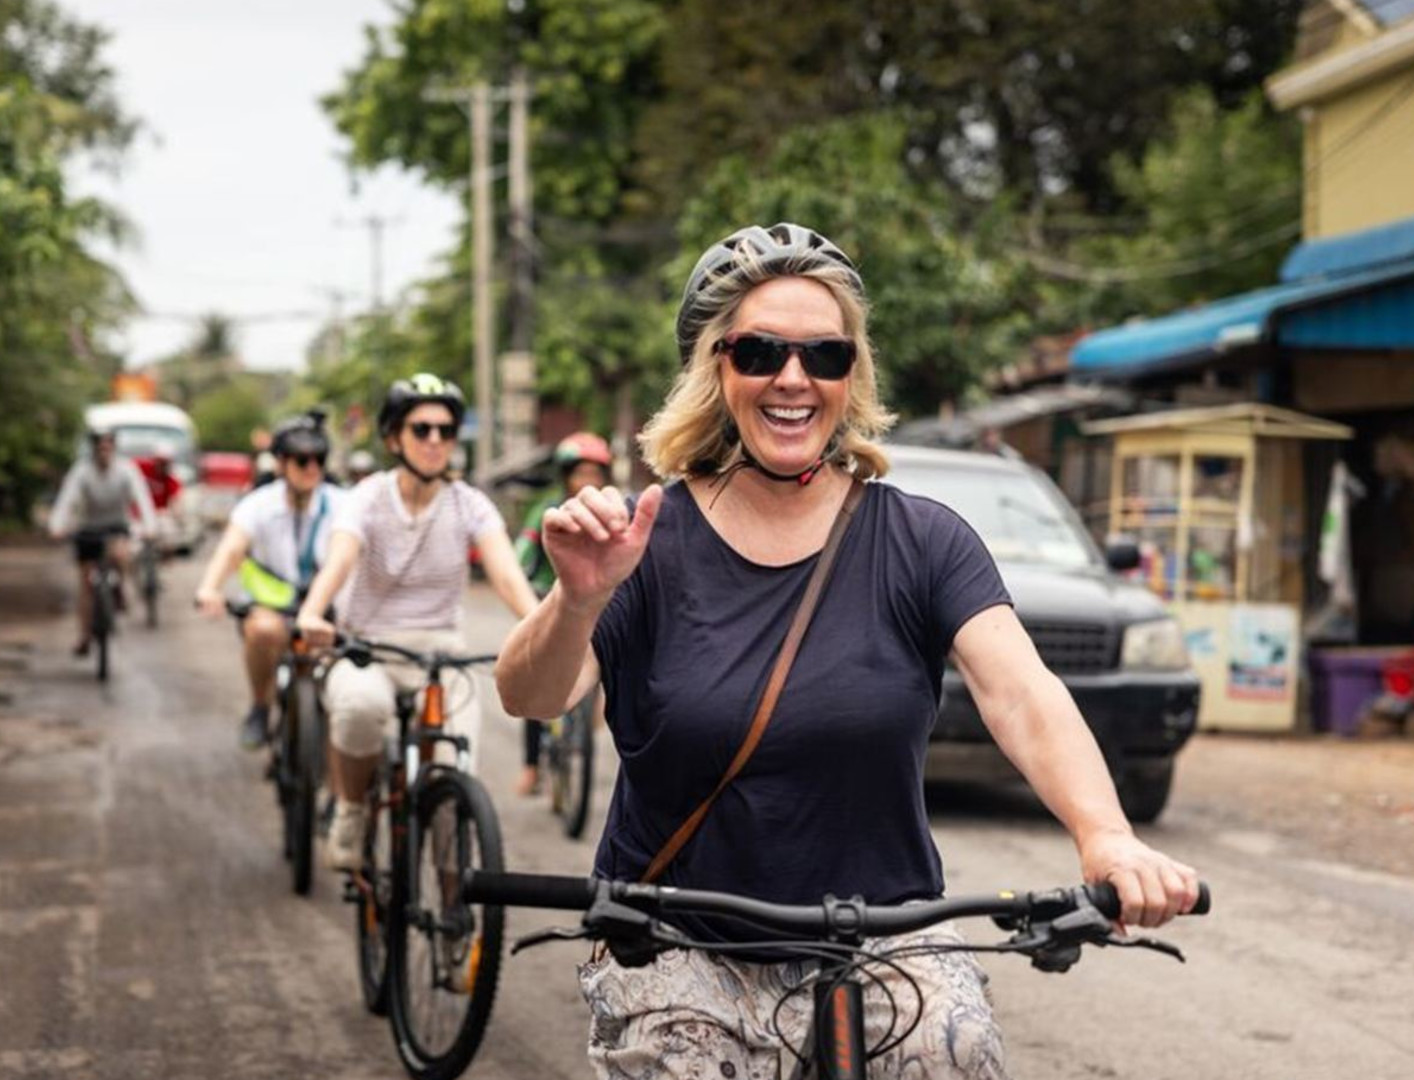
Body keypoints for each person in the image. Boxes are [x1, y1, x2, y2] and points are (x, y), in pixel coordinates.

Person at [494, 223, 1202, 1080]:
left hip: (882, 931)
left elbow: (1022, 695)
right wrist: (579, 596)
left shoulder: (923, 541)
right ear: (715, 370)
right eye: (759, 351)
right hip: (675, 935)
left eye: (824, 356)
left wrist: (1108, 837)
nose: (793, 379)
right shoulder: (650, 538)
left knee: (958, 1050)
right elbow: (533, 695)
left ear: (850, 375)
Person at [294, 373, 540, 871]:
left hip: (440, 651)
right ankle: (351, 809)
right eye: (421, 429)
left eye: (445, 431)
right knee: (359, 707)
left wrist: (545, 627)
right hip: (371, 647)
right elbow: (341, 558)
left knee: (451, 768)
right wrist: (312, 613)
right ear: (394, 438)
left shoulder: (469, 503)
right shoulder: (367, 496)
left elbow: (509, 579)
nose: (435, 441)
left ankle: (452, 903)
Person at [193, 411, 343, 748]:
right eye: (302, 459)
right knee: (263, 631)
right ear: (280, 463)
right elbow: (231, 548)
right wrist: (210, 588)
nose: (311, 468)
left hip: (328, 608)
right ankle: (260, 706)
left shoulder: (343, 504)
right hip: (273, 604)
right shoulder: (258, 504)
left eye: (318, 459)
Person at [511, 431, 615, 796]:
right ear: (565, 475)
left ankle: (596, 700)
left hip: (597, 607)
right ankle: (530, 766)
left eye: (595, 473)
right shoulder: (545, 510)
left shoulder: (612, 513)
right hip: (547, 599)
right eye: (580, 472)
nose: (588, 481)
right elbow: (520, 553)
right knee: (534, 678)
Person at [48, 429, 156, 657]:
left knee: (120, 553)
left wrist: (149, 527)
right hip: (88, 528)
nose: (104, 451)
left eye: (108, 445)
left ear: (114, 448)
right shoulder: (81, 472)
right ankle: (84, 636)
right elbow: (67, 500)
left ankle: (120, 590)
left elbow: (142, 499)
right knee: (86, 584)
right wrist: (57, 526)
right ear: (94, 449)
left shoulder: (127, 470)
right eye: (100, 446)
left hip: (117, 525)